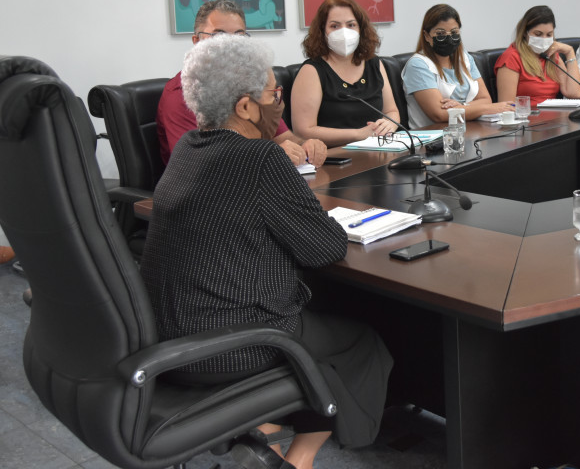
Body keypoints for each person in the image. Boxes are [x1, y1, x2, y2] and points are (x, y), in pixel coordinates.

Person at [141, 35, 393, 469]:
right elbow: (325, 248)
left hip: (169, 337)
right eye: (273, 93)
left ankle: (267, 434)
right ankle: (298, 460)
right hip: (235, 344)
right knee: (363, 343)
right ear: (244, 107)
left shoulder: (187, 149)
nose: (280, 103)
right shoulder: (259, 158)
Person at [157, 0, 326, 167]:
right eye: (219, 36)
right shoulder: (183, 93)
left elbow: (284, 137)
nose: (232, 46)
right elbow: (196, 163)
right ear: (196, 42)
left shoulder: (253, 83)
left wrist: (308, 145)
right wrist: (270, 153)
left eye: (239, 37)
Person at [291, 0, 400, 147]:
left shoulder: (374, 64)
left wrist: (389, 125)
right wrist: (358, 134)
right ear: (322, 31)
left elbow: (391, 111)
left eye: (351, 25)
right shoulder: (312, 71)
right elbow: (303, 130)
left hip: (378, 149)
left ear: (361, 28)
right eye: (335, 26)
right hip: (335, 157)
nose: (344, 32)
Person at [402, 4, 514, 128]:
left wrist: (461, 107)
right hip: (434, 139)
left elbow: (485, 99)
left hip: (470, 131)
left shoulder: (465, 58)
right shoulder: (418, 65)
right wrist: (486, 109)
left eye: (454, 32)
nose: (449, 38)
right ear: (427, 36)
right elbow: (439, 114)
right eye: (440, 33)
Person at [494, 5, 580, 105]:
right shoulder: (511, 58)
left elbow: (575, 93)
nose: (544, 39)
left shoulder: (551, 56)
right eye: (538, 34)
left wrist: (570, 52)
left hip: (554, 118)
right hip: (528, 118)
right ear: (525, 33)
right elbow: (506, 107)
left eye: (549, 35)